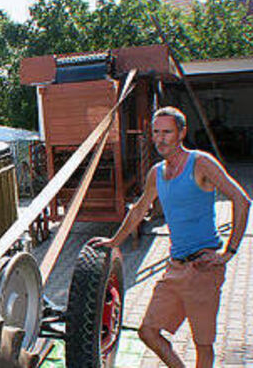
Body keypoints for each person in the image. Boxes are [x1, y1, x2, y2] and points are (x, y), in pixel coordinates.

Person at [91, 106, 251, 367]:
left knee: (203, 344)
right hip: (175, 267)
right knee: (147, 332)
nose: (160, 139)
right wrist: (113, 242)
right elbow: (140, 209)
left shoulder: (200, 163)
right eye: (156, 132)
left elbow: (241, 200)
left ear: (181, 133)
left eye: (167, 132)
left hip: (203, 267)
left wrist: (228, 254)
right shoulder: (157, 173)